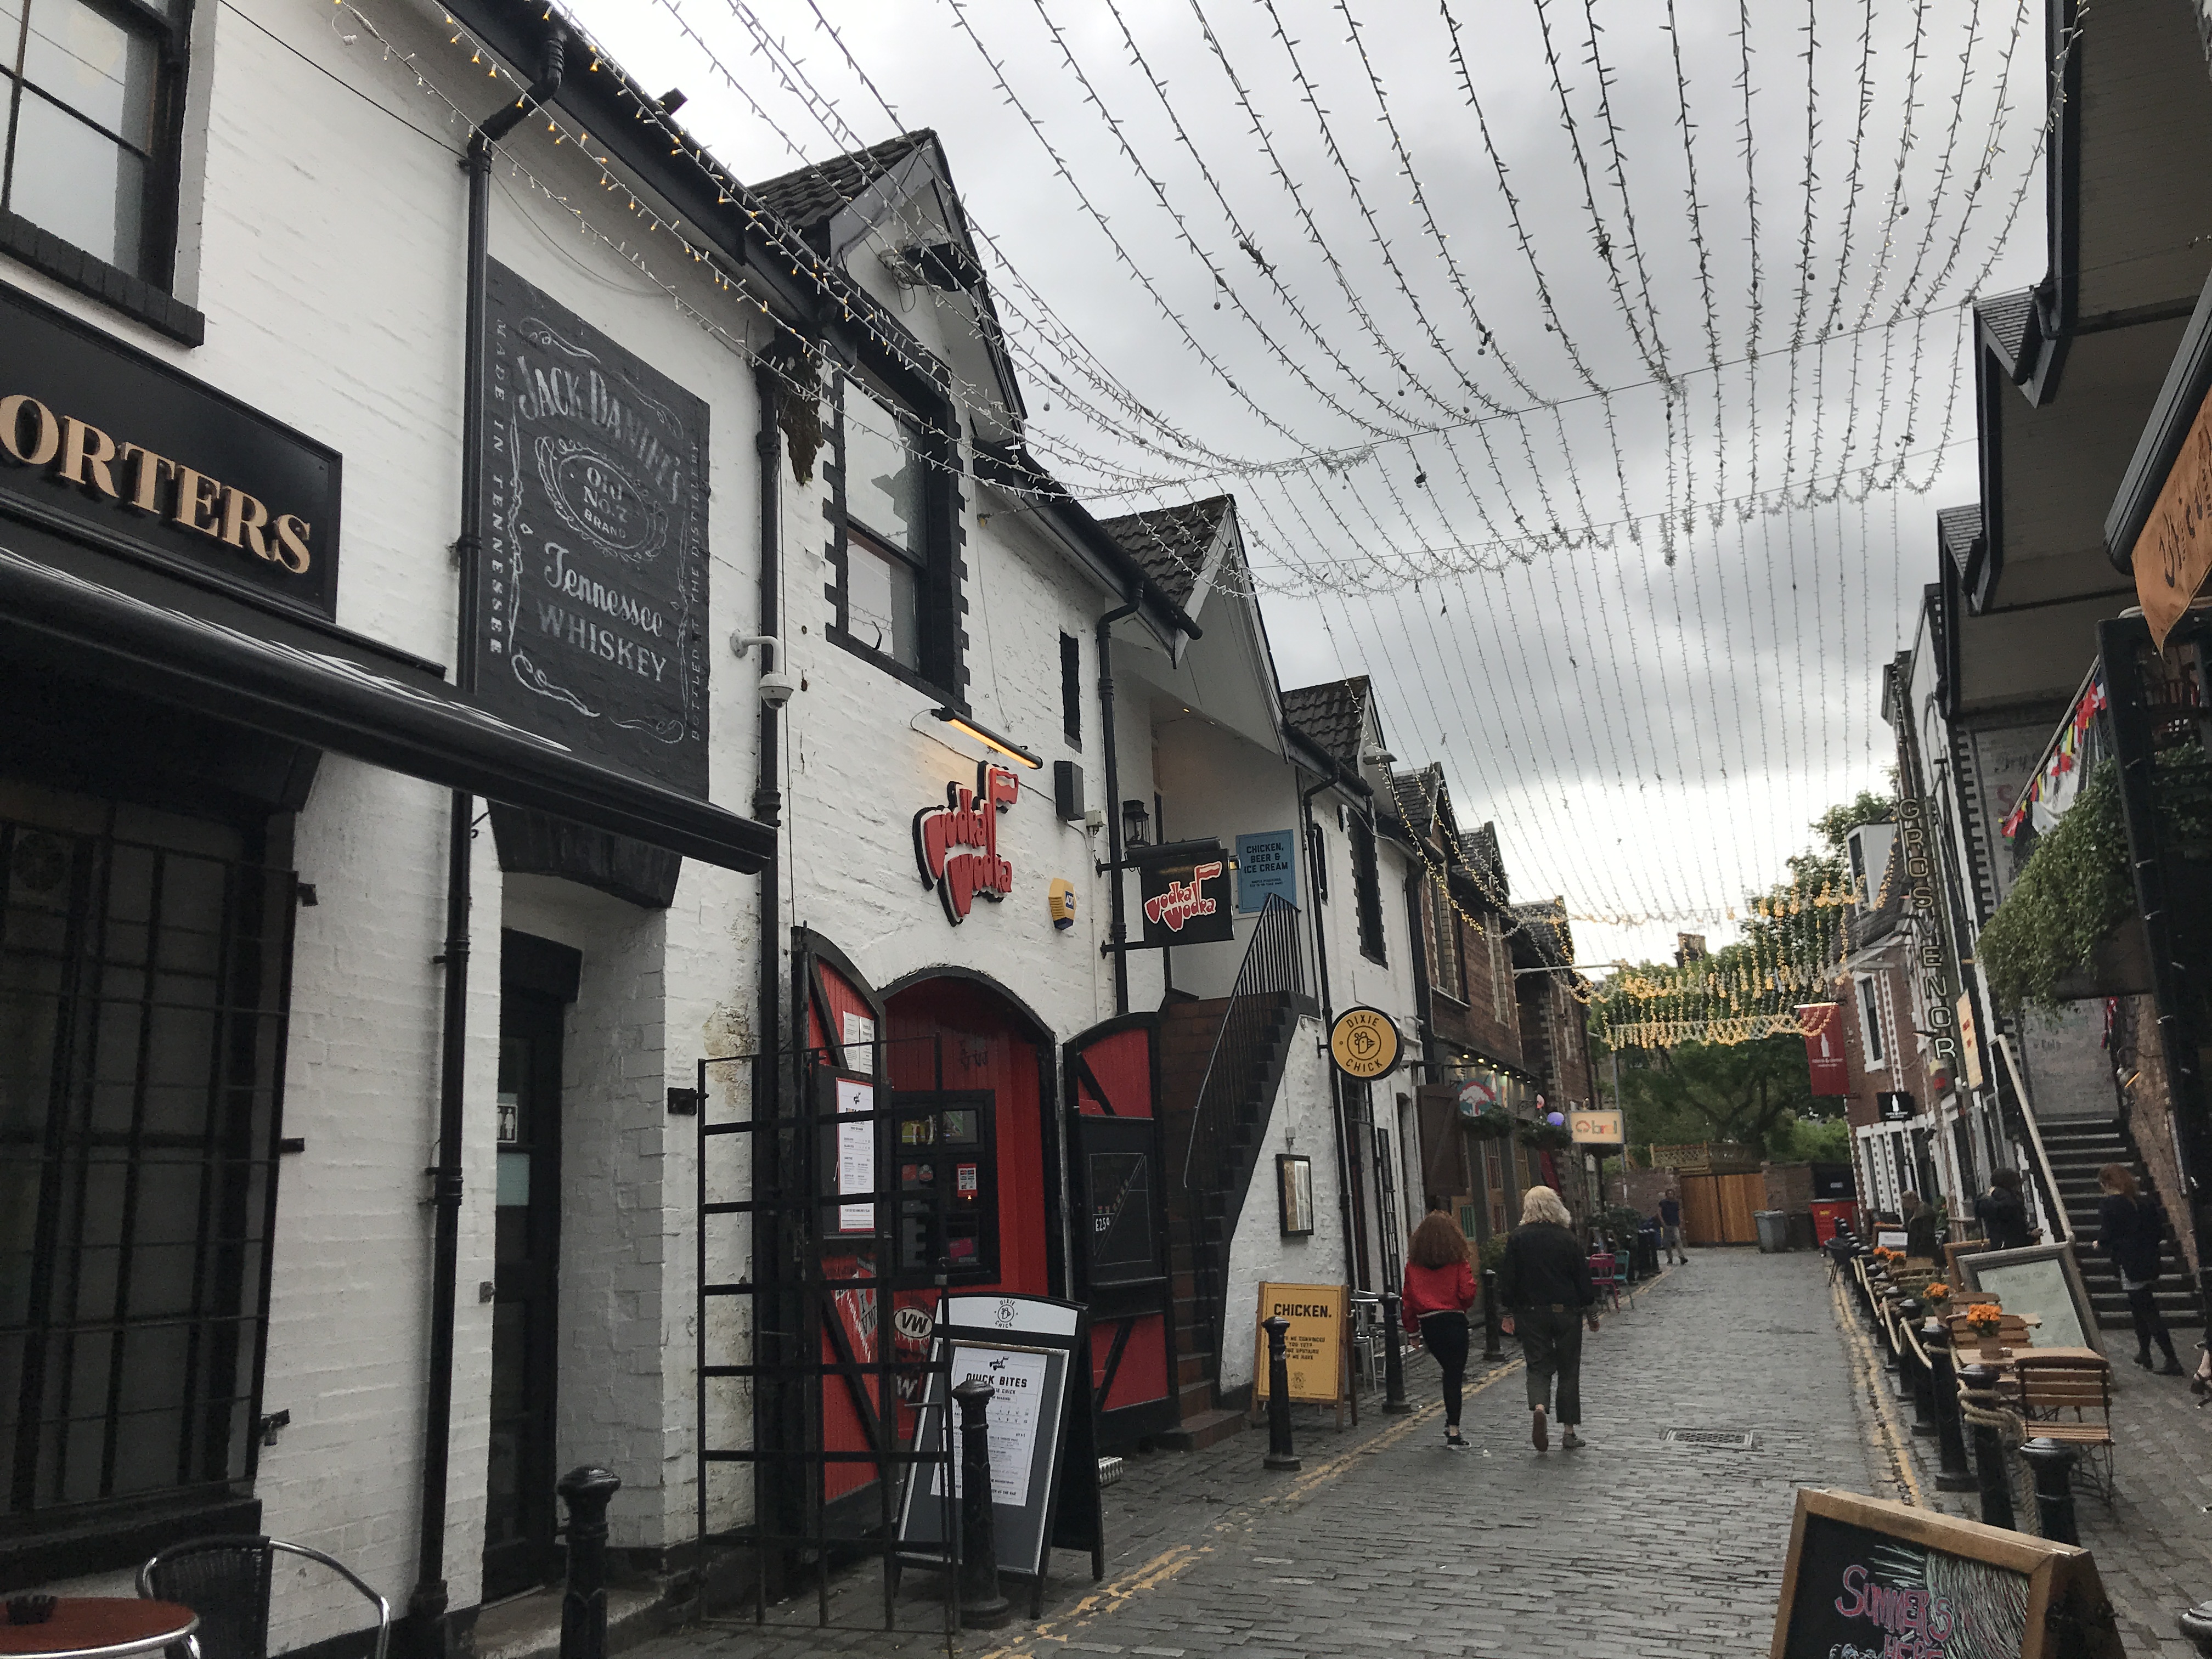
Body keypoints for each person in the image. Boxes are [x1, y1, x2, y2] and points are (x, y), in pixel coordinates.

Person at [1497, 1185, 1599, 1452]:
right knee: (1568, 1369)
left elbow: (1508, 1279)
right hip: (1566, 1312)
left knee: (1537, 1365)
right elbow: (1582, 1278)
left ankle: (1540, 1407)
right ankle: (1569, 1431)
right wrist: (1591, 1312)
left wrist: (1507, 1313)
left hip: (1531, 1313)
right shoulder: (1567, 1238)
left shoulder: (1518, 1239)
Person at [1401, 1204, 1479, 1448]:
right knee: (1454, 1375)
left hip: (1430, 1324)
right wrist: (1461, 1307)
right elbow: (1467, 1292)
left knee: (1449, 1371)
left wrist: (1413, 1331)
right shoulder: (1458, 1262)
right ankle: (1454, 1429)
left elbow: (1408, 1299)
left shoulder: (1414, 1266)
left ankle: (1451, 1424)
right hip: (1454, 1321)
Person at [2097, 1164, 2182, 1374]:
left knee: (2148, 1310)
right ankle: (2145, 1353)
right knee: (2139, 1308)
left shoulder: (2109, 1205)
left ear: (2106, 1184)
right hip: (2149, 1260)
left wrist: (2099, 1244)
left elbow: (2108, 1235)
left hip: (2129, 1264)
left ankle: (2172, 1359)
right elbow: (2159, 1232)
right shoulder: (2144, 1202)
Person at [1973, 1169, 2032, 1251]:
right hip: (2014, 1250)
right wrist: (2031, 1237)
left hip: (1997, 1246)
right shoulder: (2010, 1203)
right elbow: (2015, 1233)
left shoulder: (1989, 1200)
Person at [1901, 1190, 1939, 1262]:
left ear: (1913, 1201)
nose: (1905, 1207)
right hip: (1917, 1250)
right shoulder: (1913, 1212)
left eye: (1906, 1203)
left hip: (1924, 1252)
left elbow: (1925, 1234)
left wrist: (1914, 1253)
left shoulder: (1924, 1214)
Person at [1657, 1188, 1686, 1263]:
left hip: (1675, 1224)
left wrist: (1680, 1221)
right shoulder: (1663, 1203)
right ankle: (1670, 1257)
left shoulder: (1676, 1203)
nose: (1670, 1195)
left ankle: (1682, 1257)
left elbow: (1679, 1212)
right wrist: (1662, 1222)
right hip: (1666, 1224)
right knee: (1667, 1242)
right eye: (1669, 1194)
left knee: (1678, 1239)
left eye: (1671, 1194)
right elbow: (1659, 1213)